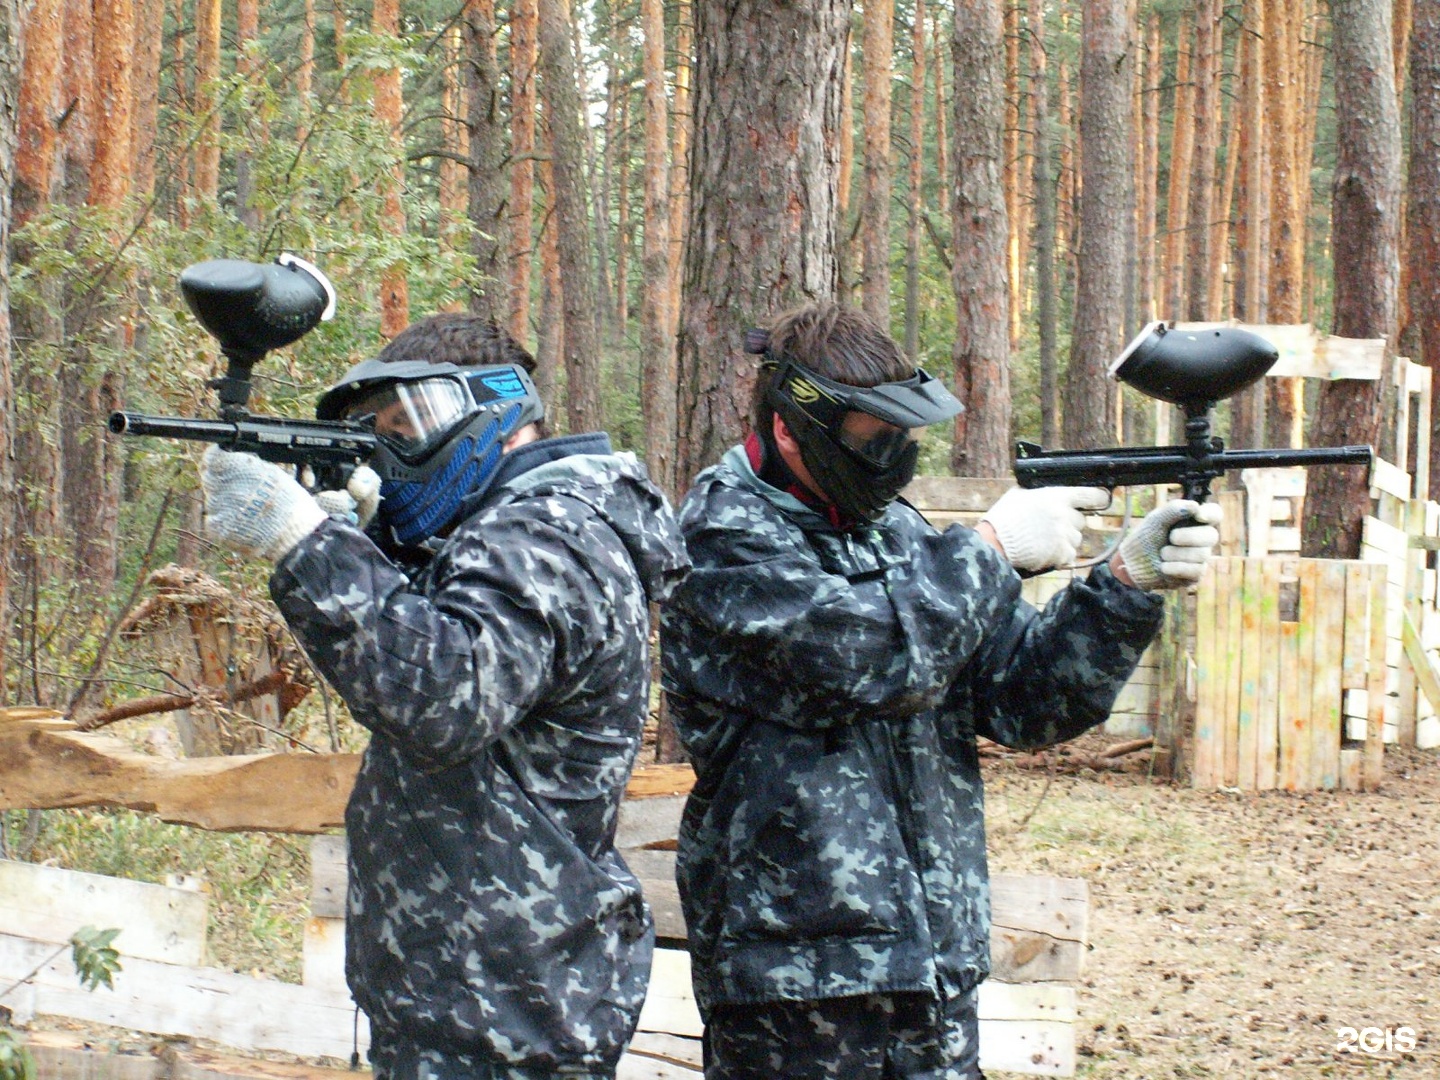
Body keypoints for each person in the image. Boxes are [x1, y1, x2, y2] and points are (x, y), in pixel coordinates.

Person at [659, 301, 1220, 1080]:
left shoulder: (897, 532)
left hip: (935, 977)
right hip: (796, 995)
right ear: (791, 429)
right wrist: (990, 549)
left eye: (901, 434)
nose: (892, 455)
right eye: (871, 436)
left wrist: (1122, 587)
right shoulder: (720, 538)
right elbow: (873, 657)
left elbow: (1023, 702)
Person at [197, 312, 690, 1080]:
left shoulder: (551, 532)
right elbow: (440, 639)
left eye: (410, 423)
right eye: (379, 432)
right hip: (476, 989)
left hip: (511, 1003)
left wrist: (305, 542)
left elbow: (444, 695)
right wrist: (367, 545)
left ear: (493, 411)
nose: (395, 450)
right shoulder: (506, 531)